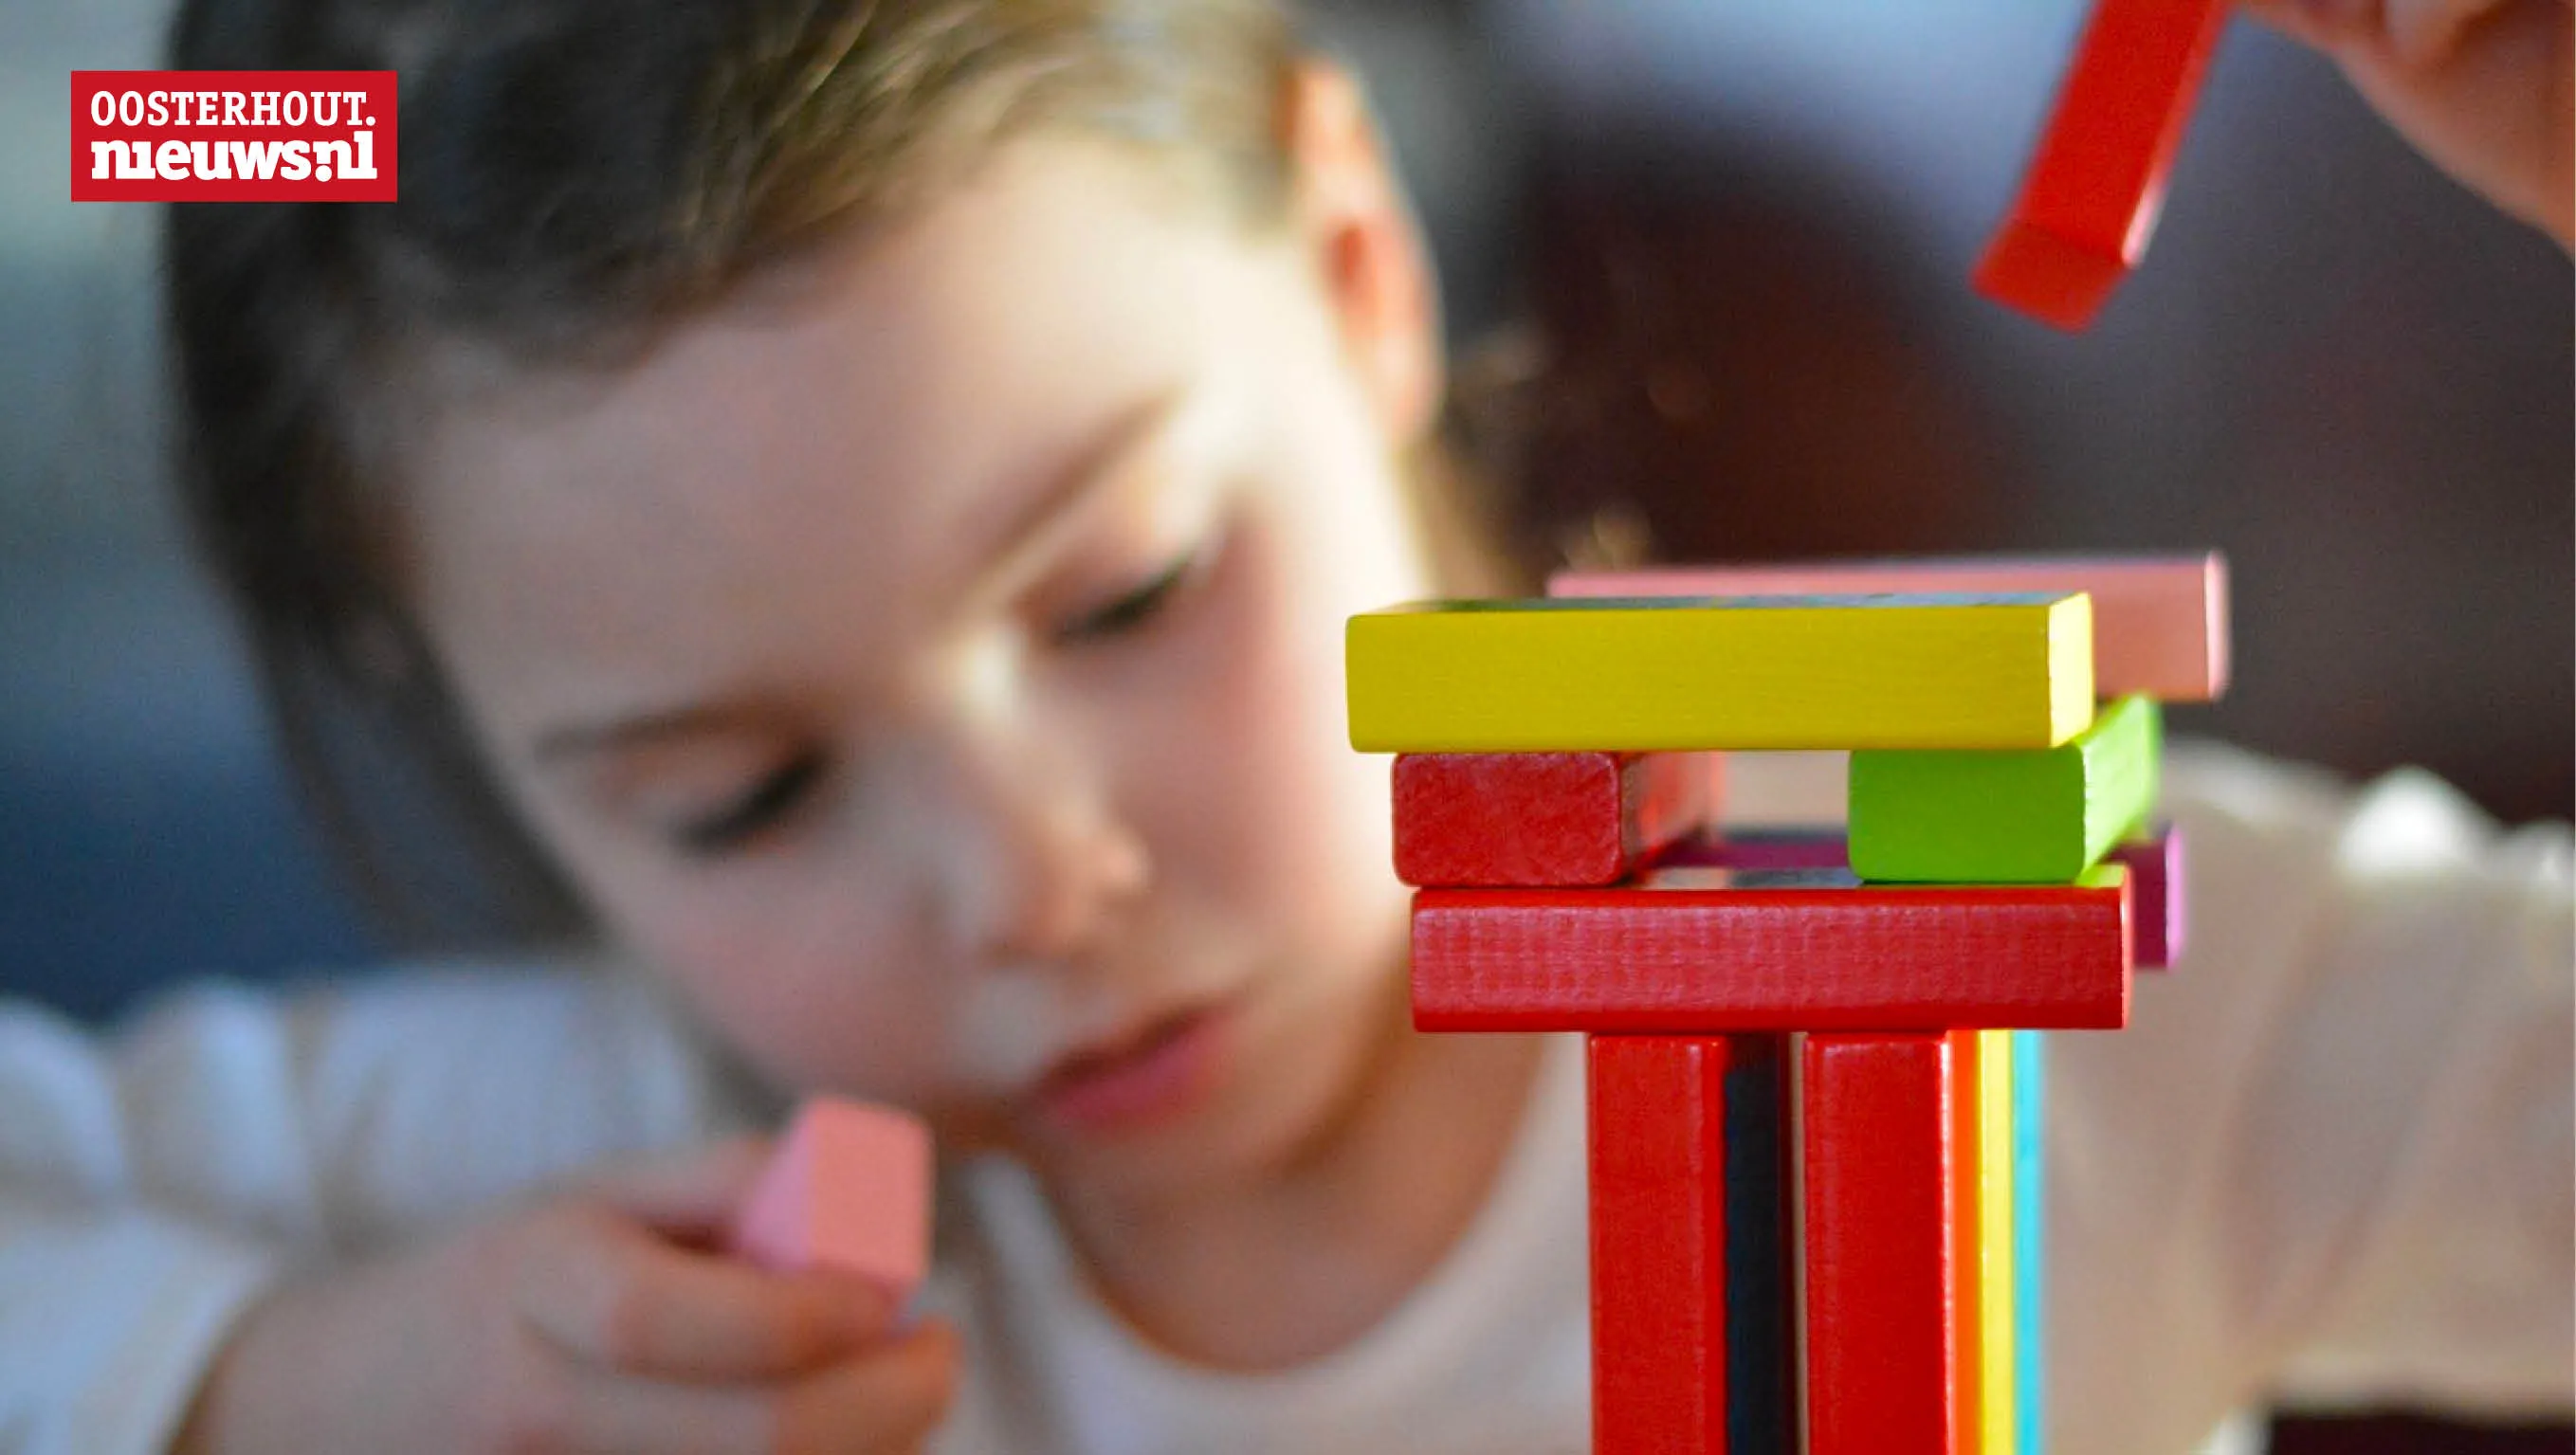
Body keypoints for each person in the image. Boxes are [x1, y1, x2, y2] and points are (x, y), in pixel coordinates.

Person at [3, 1, 2567, 1452]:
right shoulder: (610, 1205)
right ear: (445, 696)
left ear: (1353, 265)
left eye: (1125, 590)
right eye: (740, 790)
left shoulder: (1998, 954)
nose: (1026, 879)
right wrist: (275, 1379)